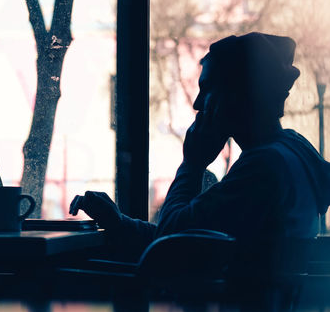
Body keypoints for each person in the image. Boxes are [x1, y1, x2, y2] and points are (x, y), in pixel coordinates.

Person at [69, 32, 330, 261]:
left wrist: (192, 164)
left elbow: (169, 241)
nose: (197, 103)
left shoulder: (262, 167)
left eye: (207, 89)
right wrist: (120, 223)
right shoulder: (292, 150)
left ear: (239, 94)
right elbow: (189, 234)